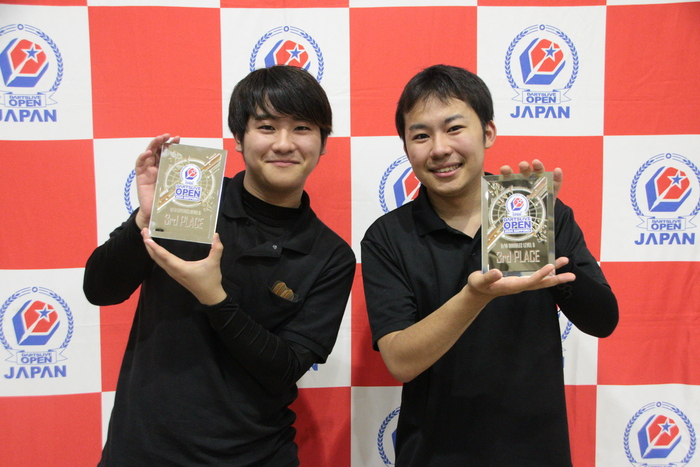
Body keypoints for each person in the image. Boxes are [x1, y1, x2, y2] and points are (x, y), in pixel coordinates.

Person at [84, 65, 356, 466]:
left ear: (323, 142)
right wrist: (145, 218)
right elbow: (100, 289)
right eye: (266, 127)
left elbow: (284, 369)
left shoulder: (330, 255)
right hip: (143, 452)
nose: (284, 144)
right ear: (239, 138)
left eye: (302, 128)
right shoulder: (192, 200)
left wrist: (214, 297)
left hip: (254, 456)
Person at [361, 64, 618, 466]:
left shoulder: (539, 216)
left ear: (489, 133)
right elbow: (400, 361)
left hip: (537, 453)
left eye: (454, 128)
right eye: (421, 135)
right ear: (406, 147)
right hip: (433, 455)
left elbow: (603, 320)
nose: (439, 148)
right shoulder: (388, 237)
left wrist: (540, 239)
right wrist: (474, 296)